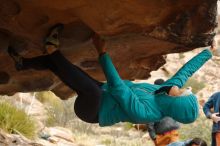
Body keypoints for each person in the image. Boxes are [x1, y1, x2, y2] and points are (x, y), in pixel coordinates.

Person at [8, 24, 213, 127]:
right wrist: (208, 53)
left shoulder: (147, 114)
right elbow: (186, 71)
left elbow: (119, 89)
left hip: (92, 112)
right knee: (66, 70)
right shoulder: (166, 91)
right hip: (101, 92)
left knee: (94, 91)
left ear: (176, 103)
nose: (181, 88)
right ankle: (23, 63)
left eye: (183, 92)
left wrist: (102, 53)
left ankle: (52, 48)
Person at [147, 79, 180, 146]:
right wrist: (154, 137)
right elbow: (149, 121)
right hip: (161, 136)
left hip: (173, 133)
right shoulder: (152, 101)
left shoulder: (172, 98)